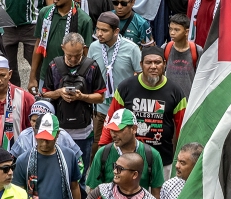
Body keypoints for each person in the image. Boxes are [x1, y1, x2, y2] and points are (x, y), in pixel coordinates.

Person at [98, 46, 187, 169]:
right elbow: (112, 119)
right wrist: (103, 149)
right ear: (141, 64)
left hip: (163, 161)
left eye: (157, 62)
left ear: (164, 64)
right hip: (128, 160)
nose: (153, 66)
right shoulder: (126, 87)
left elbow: (183, 128)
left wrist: (182, 157)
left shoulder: (176, 91)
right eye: (148, 62)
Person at [42, 33, 105, 167]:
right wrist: (59, 92)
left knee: (81, 171)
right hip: (58, 129)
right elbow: (45, 94)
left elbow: (100, 97)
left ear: (84, 48)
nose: (73, 59)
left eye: (78, 55)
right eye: (69, 55)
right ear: (62, 47)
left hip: (84, 130)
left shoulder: (92, 67)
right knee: (59, 169)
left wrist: (82, 96)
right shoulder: (54, 66)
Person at [89, 13, 143, 151]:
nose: (99, 34)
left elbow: (141, 75)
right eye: (97, 29)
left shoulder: (132, 49)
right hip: (100, 108)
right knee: (97, 146)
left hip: (123, 109)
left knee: (124, 147)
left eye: (104, 30)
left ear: (116, 31)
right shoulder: (94, 47)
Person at [86, 109, 164, 195]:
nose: (113, 134)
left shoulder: (152, 155)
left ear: (134, 129)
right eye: (111, 130)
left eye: (119, 130)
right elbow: (93, 192)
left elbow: (157, 193)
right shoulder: (102, 153)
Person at [27, 0, 94, 94]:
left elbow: (86, 54)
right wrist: (32, 78)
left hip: (71, 80)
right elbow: (39, 44)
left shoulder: (84, 20)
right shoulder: (44, 13)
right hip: (46, 77)